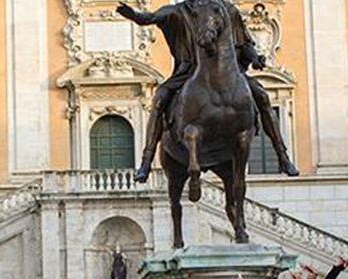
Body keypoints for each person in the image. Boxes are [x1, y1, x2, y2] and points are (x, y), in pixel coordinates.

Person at [116, 0, 298, 182]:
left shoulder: (228, 10)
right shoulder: (179, 11)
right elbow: (151, 17)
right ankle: (146, 161)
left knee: (262, 96)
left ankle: (282, 156)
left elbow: (244, 43)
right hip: (189, 72)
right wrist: (133, 15)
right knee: (159, 99)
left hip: (227, 74)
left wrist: (255, 58)